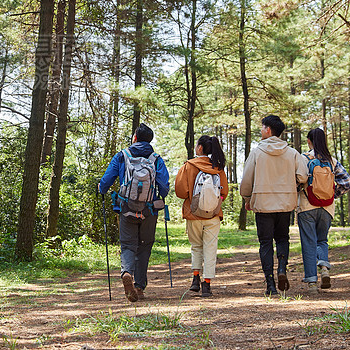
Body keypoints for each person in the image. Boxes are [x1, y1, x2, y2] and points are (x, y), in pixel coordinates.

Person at [99, 123, 170, 302]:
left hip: (127, 208)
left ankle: (127, 272)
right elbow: (164, 186)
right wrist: (160, 195)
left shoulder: (122, 156)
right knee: (144, 246)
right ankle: (139, 287)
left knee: (128, 244)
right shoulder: (156, 159)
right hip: (149, 210)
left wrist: (101, 189)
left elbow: (106, 180)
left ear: (135, 137)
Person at [240, 115, 308, 295]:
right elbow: (303, 176)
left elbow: (247, 179)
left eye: (262, 127)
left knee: (265, 243)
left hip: (263, 203)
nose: (261, 130)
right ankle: (282, 270)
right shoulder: (292, 153)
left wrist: (247, 198)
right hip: (285, 203)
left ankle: (270, 283)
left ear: (268, 129)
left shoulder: (256, 152)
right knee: (282, 238)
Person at [297, 127, 350, 292]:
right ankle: (324, 267)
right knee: (322, 240)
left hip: (307, 207)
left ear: (309, 141)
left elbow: (297, 181)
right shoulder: (332, 161)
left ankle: (312, 282)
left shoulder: (303, 158)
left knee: (309, 243)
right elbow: (347, 182)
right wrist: (332, 195)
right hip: (327, 208)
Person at [175, 135, 228, 297]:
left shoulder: (189, 166)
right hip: (213, 215)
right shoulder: (218, 167)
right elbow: (223, 192)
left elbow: (180, 192)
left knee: (196, 246)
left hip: (193, 214)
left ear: (199, 148)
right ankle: (207, 284)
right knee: (210, 248)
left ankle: (195, 279)